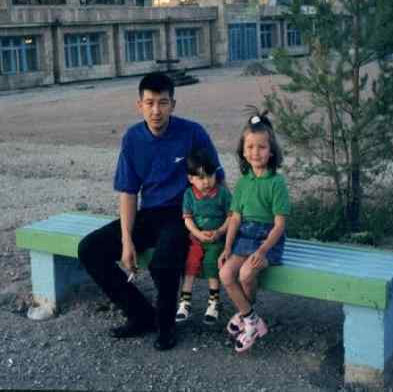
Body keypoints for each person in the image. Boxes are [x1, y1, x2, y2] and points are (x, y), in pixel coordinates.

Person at [78, 72, 225, 351]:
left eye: (163, 102)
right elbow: (128, 192)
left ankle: (166, 326)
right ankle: (141, 315)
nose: (156, 110)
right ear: (140, 105)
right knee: (90, 249)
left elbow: (217, 179)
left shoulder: (192, 133)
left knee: (163, 262)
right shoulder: (133, 138)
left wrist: (219, 223)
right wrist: (126, 240)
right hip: (149, 213)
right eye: (149, 103)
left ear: (173, 105)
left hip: (184, 214)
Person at [218, 111, 289, 353]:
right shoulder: (243, 182)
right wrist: (227, 247)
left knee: (246, 274)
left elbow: (279, 225)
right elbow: (235, 219)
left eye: (261, 147)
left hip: (268, 241)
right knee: (226, 273)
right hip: (244, 237)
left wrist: (262, 251)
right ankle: (252, 319)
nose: (255, 152)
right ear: (243, 151)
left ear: (271, 151)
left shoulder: (276, 183)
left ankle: (245, 317)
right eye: (250, 147)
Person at [175, 148, 231, 325]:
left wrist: (220, 231)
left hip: (217, 238)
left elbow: (232, 216)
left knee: (211, 263)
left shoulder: (222, 194)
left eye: (210, 176)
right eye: (200, 177)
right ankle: (185, 302)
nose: (206, 181)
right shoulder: (189, 195)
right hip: (196, 238)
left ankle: (214, 301)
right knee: (190, 263)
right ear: (190, 179)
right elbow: (188, 219)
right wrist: (198, 233)